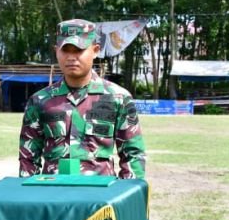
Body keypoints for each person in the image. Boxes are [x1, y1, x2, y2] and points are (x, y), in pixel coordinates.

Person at [18, 18, 146, 178]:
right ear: (56, 51)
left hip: (100, 197)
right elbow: (28, 158)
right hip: (53, 195)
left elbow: (133, 156)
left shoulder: (118, 98)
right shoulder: (39, 101)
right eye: (66, 50)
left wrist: (126, 196)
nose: (71, 57)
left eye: (79, 50)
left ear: (95, 50)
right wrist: (31, 197)